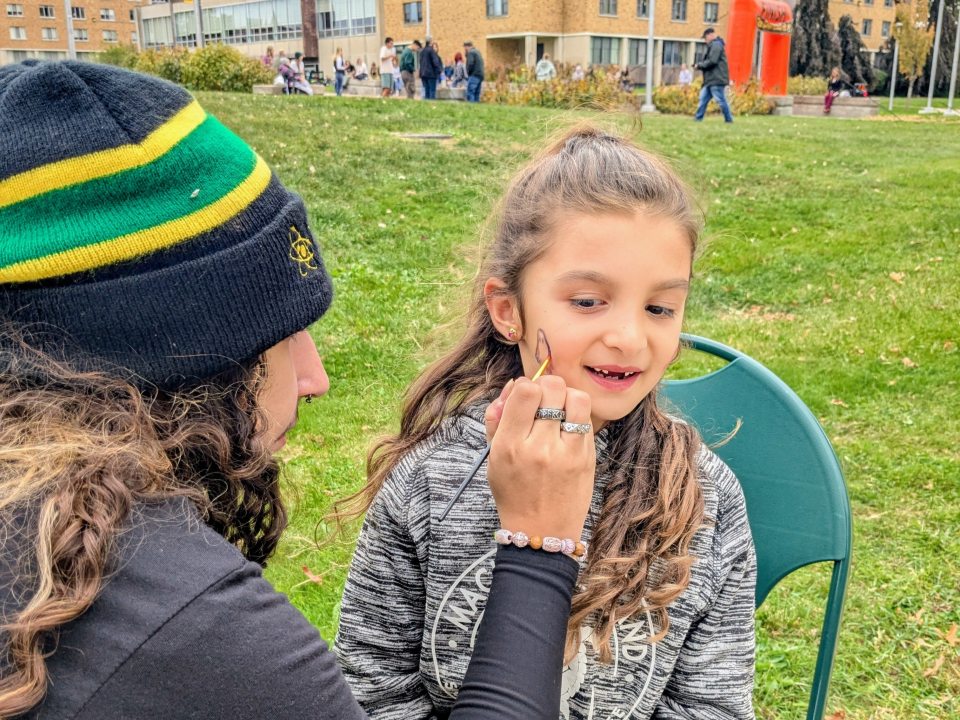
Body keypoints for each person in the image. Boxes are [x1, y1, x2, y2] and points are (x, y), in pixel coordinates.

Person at [0, 60, 597, 719]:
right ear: (182, 358)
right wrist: (541, 546)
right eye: (282, 336)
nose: (316, 379)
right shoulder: (201, 638)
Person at [335, 126, 757, 719]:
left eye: (660, 308)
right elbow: (373, 692)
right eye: (588, 301)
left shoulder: (706, 500)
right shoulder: (431, 481)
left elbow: (711, 706)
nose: (630, 338)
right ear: (509, 311)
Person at [693, 28, 732, 122]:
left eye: (705, 38)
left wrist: (699, 65)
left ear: (710, 35)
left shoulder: (716, 44)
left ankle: (729, 120)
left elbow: (712, 61)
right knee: (703, 100)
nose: (705, 41)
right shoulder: (715, 45)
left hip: (716, 79)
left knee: (721, 100)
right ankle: (698, 119)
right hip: (711, 80)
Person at [419, 36, 444, 100]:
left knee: (426, 91)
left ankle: (427, 105)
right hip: (431, 74)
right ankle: (431, 105)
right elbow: (435, 62)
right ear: (430, 41)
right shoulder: (431, 50)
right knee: (432, 91)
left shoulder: (422, 51)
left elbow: (420, 62)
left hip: (423, 74)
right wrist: (440, 70)